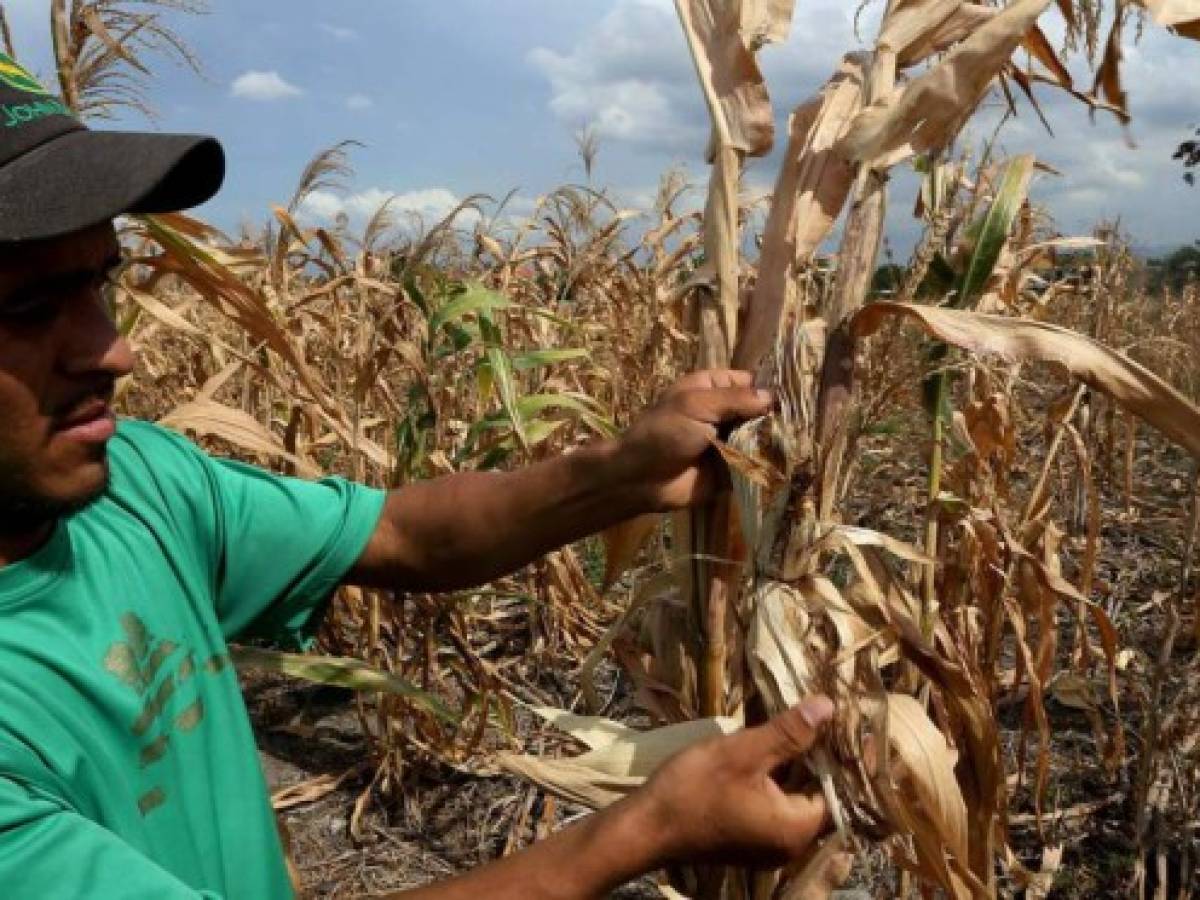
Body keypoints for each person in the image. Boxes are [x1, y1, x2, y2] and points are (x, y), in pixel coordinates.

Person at [0, 51, 834, 899]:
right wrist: (648, 830)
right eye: (31, 308)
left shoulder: (137, 481)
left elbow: (400, 532)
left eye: (102, 284)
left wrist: (622, 471)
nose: (116, 349)